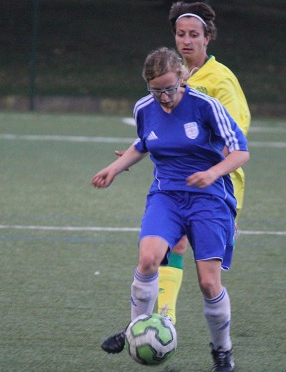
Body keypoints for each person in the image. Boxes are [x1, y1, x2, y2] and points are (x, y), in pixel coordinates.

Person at [92, 47, 249, 372]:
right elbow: (144, 143)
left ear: (183, 77)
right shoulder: (144, 108)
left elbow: (241, 152)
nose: (164, 97)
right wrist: (115, 167)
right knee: (148, 258)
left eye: (170, 88)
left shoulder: (207, 106)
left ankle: (222, 351)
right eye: (156, 90)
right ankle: (137, 330)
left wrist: (212, 172)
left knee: (208, 283)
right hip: (166, 197)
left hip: (209, 198)